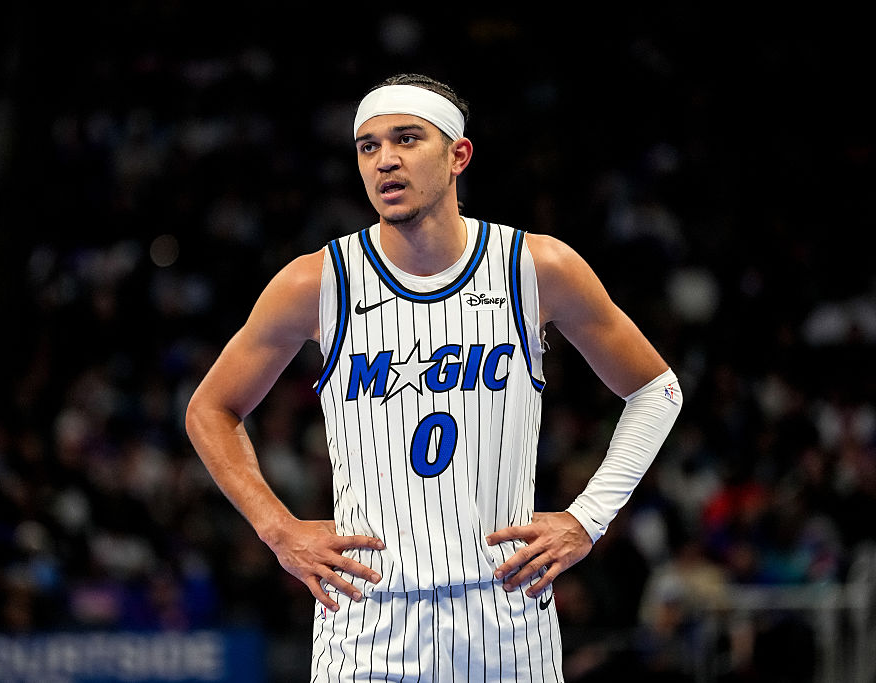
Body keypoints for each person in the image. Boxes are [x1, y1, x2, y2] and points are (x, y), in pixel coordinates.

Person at [186, 73, 683, 681]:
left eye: (406, 139)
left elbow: (657, 390)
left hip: (505, 613)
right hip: (366, 618)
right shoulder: (316, 282)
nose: (384, 160)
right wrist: (279, 531)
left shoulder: (536, 266)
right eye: (368, 146)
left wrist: (588, 518)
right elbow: (210, 409)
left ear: (458, 155)